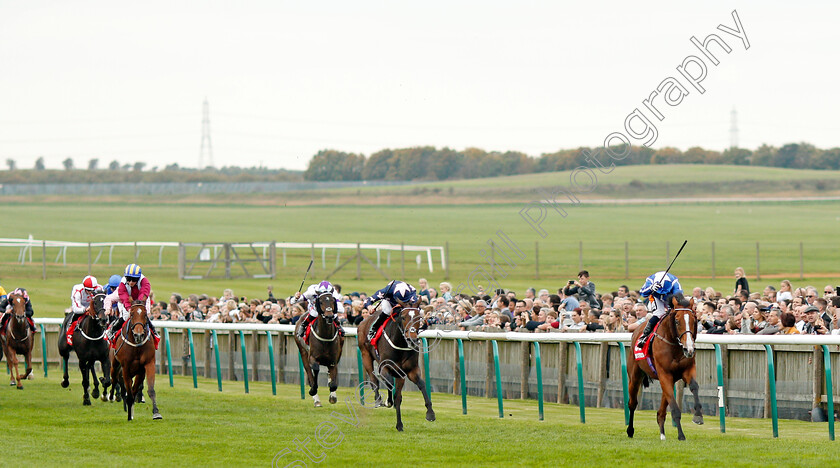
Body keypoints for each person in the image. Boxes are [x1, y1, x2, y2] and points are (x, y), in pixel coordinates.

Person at [106, 264, 157, 341]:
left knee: (143, 315)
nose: (130, 282)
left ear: (138, 278)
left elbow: (143, 295)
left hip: (142, 300)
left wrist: (138, 307)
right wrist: (129, 309)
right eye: (128, 279)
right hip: (128, 300)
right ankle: (113, 330)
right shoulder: (123, 284)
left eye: (133, 279)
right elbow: (124, 298)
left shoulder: (145, 282)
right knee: (126, 316)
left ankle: (154, 332)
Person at [637, 270, 682, 345]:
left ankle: (679, 335)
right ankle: (644, 335)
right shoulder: (650, 280)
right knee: (659, 314)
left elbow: (679, 297)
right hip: (656, 296)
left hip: (670, 297)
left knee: (674, 314)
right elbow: (642, 293)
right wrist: (650, 288)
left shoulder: (674, 283)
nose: (662, 295)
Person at [65, 275, 100, 345]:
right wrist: (85, 309)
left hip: (93, 307)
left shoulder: (99, 289)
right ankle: (70, 333)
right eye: (88, 290)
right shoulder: (77, 290)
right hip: (81, 307)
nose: (90, 292)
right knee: (75, 316)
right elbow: (76, 308)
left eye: (92, 291)